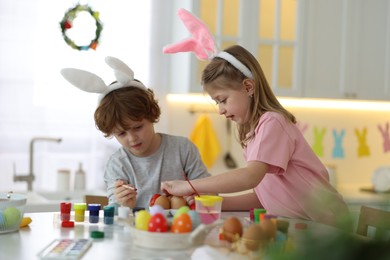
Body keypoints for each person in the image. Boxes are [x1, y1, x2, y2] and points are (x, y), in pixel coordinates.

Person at [161, 9, 350, 228]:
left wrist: (189, 186)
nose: (220, 110)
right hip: (303, 227)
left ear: (248, 87)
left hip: (329, 227)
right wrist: (213, 204)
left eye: (222, 100)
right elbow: (264, 197)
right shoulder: (254, 133)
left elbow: (250, 177)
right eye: (217, 103)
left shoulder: (273, 122)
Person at [61, 56, 210, 209]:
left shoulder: (182, 149)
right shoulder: (118, 164)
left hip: (181, 230)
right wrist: (123, 205)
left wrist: (198, 196)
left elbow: (210, 193)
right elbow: (115, 214)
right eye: (121, 134)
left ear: (151, 116)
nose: (132, 139)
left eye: (138, 127)